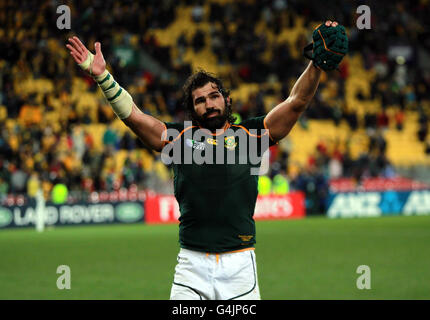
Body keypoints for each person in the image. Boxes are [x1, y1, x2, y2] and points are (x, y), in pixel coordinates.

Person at [66, 20, 346, 300]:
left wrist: (316, 65)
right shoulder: (179, 139)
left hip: (240, 267)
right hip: (191, 267)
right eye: (200, 100)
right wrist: (103, 77)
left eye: (214, 96)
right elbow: (135, 117)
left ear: (226, 100)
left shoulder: (251, 135)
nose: (209, 104)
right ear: (192, 109)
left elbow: (295, 102)